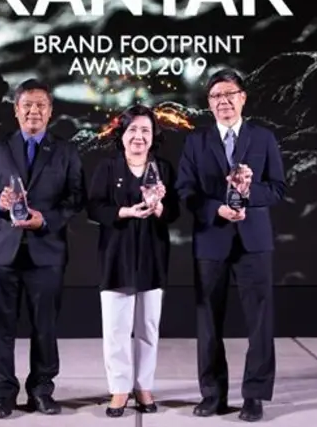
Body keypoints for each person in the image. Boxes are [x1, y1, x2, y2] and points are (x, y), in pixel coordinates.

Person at [0, 78, 85, 419]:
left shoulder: (66, 151)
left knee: (45, 327)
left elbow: (76, 198)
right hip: (1, 254)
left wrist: (45, 219)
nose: (34, 111)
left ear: (50, 111)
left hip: (46, 253)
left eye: (41, 105)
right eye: (27, 105)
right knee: (0, 329)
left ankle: (41, 391)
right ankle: (3, 394)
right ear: (16, 110)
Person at [175, 69, 286, 422]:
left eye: (229, 94)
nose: (223, 101)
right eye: (216, 96)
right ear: (208, 104)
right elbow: (185, 191)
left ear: (243, 98)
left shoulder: (263, 138)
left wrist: (249, 194)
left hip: (254, 241)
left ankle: (255, 395)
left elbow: (278, 189)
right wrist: (216, 209)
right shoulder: (196, 141)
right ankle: (213, 394)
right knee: (208, 320)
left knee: (260, 321)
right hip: (211, 239)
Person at [86, 104, 180, 418]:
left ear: (153, 136)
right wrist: (123, 212)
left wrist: (160, 208)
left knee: (148, 327)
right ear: (122, 134)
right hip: (115, 256)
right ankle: (119, 389)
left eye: (145, 130)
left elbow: (176, 211)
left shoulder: (163, 168)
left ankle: (143, 386)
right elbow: (94, 208)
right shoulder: (107, 167)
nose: (139, 136)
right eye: (133, 130)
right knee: (116, 328)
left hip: (153, 255)